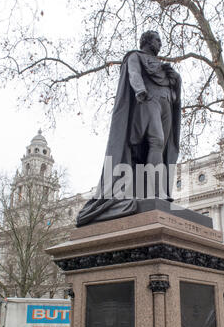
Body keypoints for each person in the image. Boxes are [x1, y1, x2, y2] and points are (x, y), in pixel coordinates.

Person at [77, 31, 182, 227]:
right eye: (157, 39)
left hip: (167, 103)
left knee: (163, 147)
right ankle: (152, 191)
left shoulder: (164, 67)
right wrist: (140, 89)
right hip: (149, 100)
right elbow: (134, 73)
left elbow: (175, 94)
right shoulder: (134, 56)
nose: (160, 43)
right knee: (156, 140)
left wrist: (175, 79)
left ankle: (157, 190)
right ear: (147, 41)